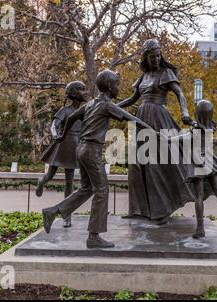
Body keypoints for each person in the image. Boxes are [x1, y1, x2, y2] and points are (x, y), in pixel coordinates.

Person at [42, 69, 155, 249]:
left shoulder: (92, 103)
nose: (118, 87)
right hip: (92, 151)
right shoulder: (105, 105)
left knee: (87, 188)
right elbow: (130, 117)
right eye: (117, 84)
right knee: (102, 190)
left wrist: (62, 136)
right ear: (110, 87)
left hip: (81, 149)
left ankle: (53, 211)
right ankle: (93, 237)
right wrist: (153, 132)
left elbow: (71, 117)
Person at [117, 38, 201, 225]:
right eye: (153, 56)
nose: (156, 59)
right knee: (136, 164)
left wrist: (185, 113)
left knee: (157, 164)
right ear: (145, 57)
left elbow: (179, 93)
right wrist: (111, 107)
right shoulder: (143, 77)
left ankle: (161, 211)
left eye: (158, 55)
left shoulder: (166, 72)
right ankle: (137, 210)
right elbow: (132, 99)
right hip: (141, 119)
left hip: (158, 117)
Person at [165, 100, 217, 239]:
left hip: (198, 163)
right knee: (216, 187)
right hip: (208, 161)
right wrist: (191, 122)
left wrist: (169, 139)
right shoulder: (211, 127)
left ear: (197, 114)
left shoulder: (196, 131)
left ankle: (200, 228)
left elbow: (184, 137)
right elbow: (197, 126)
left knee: (199, 196)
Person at [36, 81, 86, 228]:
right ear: (74, 93)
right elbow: (54, 125)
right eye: (81, 90)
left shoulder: (83, 111)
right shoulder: (64, 111)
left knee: (69, 183)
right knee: (50, 175)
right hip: (62, 144)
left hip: (75, 146)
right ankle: (41, 182)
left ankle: (67, 215)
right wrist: (55, 135)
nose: (85, 92)